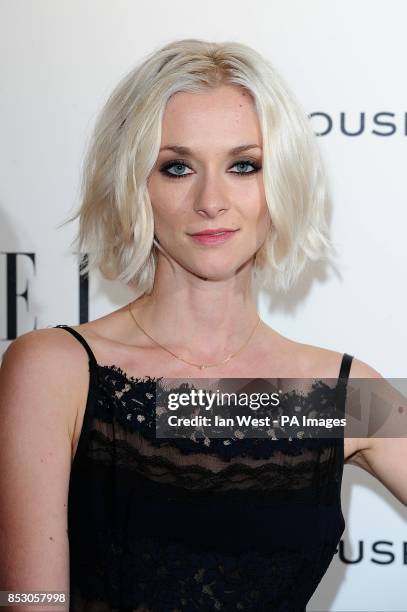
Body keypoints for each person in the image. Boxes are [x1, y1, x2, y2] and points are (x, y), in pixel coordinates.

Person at [0, 38, 405, 612]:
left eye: (244, 166)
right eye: (177, 167)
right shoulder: (56, 370)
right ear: (134, 183)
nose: (211, 200)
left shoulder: (334, 393)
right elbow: (29, 598)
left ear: (278, 183)